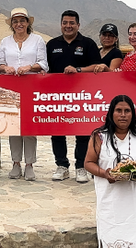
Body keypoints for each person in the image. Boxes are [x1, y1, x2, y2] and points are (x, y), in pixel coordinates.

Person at [84, 95, 136, 246]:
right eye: (119, 110)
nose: (123, 115)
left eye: (127, 111)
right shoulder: (100, 135)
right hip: (111, 199)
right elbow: (88, 163)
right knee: (113, 236)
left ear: (132, 114)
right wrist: (104, 173)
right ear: (111, 113)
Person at [45, 10, 102, 183]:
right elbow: (45, 68)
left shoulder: (88, 44)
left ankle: (81, 167)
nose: (68, 26)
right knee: (57, 131)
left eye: (72, 23)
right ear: (60, 24)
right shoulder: (52, 44)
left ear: (78, 25)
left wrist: (78, 70)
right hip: (56, 96)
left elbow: (97, 66)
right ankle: (62, 166)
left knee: (83, 132)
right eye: (65, 22)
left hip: (81, 95)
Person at [0, 8, 48, 181]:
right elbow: (0, 64)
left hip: (31, 87)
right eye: (15, 21)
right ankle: (16, 163)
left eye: (22, 20)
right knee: (13, 125)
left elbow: (44, 64)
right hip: (11, 87)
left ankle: (29, 164)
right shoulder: (5, 41)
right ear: (12, 24)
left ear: (28, 23)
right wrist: (6, 68)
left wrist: (29, 67)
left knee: (29, 127)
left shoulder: (38, 40)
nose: (19, 24)